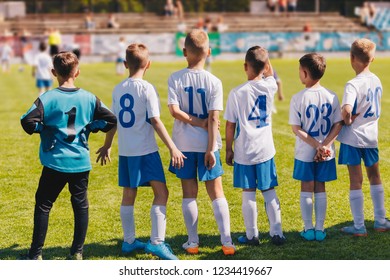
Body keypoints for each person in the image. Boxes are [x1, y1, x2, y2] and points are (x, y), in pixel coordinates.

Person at [20, 52, 117, 260]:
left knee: (43, 205)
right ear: (78, 72)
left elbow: (27, 122)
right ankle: (77, 252)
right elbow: (111, 120)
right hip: (80, 162)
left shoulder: (47, 98)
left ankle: (35, 254)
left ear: (54, 72)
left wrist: (44, 129)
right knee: (80, 205)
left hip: (54, 161)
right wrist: (92, 126)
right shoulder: (90, 98)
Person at [96, 43, 185, 260]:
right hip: (145, 150)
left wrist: (108, 145)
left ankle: (128, 242)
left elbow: (113, 121)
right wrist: (173, 147)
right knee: (162, 193)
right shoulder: (147, 88)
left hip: (127, 151)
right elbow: (155, 120)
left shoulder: (118, 89)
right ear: (149, 65)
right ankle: (157, 243)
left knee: (129, 193)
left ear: (125, 64)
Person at [168, 29, 235, 256]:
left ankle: (193, 242)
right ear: (209, 51)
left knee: (189, 193)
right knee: (217, 193)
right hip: (209, 145)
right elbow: (214, 118)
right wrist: (210, 148)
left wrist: (195, 122)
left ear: (184, 51)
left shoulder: (175, 78)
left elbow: (174, 111)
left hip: (183, 145)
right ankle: (227, 242)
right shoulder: (214, 81)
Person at [224, 46, 286, 246]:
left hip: (244, 149)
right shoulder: (270, 87)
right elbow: (270, 73)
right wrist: (267, 62)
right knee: (269, 191)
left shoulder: (237, 92)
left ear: (245, 66)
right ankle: (277, 233)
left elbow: (230, 124)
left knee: (248, 192)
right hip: (265, 149)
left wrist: (228, 148)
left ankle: (252, 236)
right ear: (266, 66)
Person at [337, 38, 390, 236]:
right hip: (371, 137)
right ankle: (381, 220)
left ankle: (359, 226)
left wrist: (346, 117)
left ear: (351, 58)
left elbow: (347, 110)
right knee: (375, 176)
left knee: (356, 180)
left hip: (352, 139)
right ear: (372, 59)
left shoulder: (352, 84)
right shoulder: (376, 79)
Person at [289, 53, 343, 241]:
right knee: (320, 187)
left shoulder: (298, 98)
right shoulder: (332, 96)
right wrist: (325, 145)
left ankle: (308, 228)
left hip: (305, 151)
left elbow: (296, 128)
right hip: (326, 152)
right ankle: (320, 229)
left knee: (307, 186)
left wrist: (316, 145)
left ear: (304, 73)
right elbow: (338, 124)